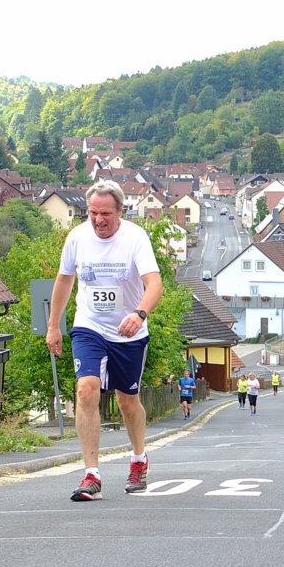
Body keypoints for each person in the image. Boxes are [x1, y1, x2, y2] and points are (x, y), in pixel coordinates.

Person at [46, 179, 164, 502]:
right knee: (86, 389)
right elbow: (64, 280)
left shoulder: (135, 238)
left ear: (120, 212)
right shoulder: (78, 238)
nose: (98, 220)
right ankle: (91, 474)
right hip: (89, 325)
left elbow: (155, 285)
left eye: (105, 214)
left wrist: (139, 314)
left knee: (128, 401)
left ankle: (139, 459)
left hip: (129, 331)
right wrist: (53, 326)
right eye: (92, 213)